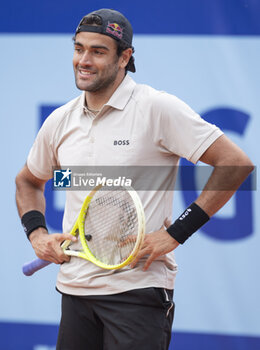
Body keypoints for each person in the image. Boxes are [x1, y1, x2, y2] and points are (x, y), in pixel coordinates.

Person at [15, 8, 254, 350]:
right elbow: (27, 181)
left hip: (137, 294)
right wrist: (37, 234)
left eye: (98, 52)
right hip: (74, 290)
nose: (84, 60)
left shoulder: (156, 108)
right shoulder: (60, 120)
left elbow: (235, 164)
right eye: (79, 48)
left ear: (125, 57)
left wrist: (175, 234)